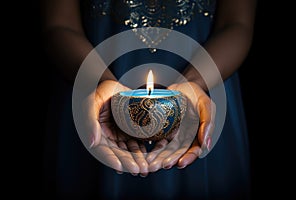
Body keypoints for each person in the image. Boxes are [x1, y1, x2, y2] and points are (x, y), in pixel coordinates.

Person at [41, 0, 256, 199]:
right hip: (86, 74)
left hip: (210, 74)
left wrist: (195, 82)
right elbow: (59, 23)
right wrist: (100, 81)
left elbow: (237, 23)